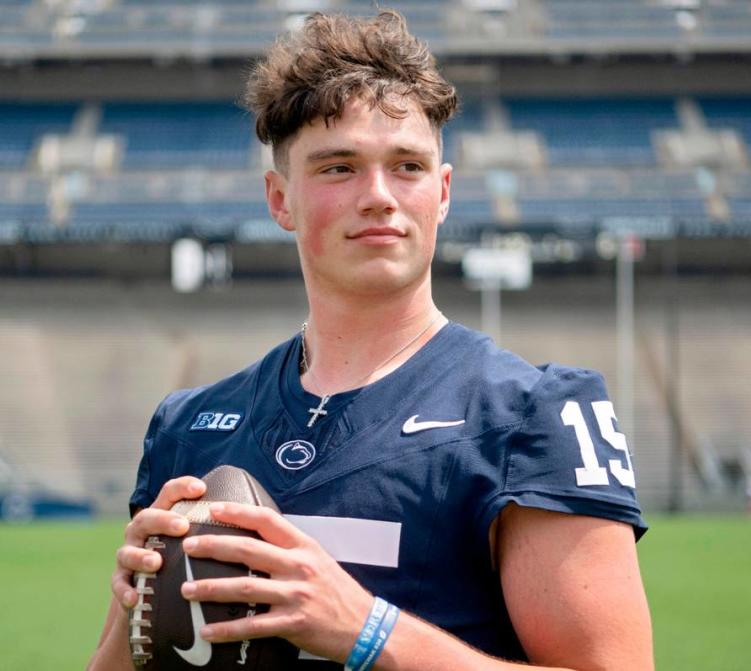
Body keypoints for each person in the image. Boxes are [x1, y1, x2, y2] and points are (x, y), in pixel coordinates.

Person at [88, 10, 654, 670]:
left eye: (407, 165)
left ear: (441, 194)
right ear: (280, 199)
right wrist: (138, 611)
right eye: (338, 167)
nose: (379, 195)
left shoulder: (530, 414)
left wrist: (366, 630)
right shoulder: (188, 430)